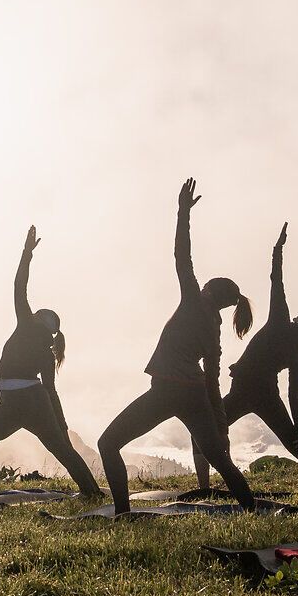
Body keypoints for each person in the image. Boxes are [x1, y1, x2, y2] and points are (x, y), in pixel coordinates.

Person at [98, 180, 258, 514]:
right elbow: (213, 379)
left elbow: (181, 256)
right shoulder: (214, 326)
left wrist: (182, 212)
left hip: (168, 390)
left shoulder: (194, 302)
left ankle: (123, 514)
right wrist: (218, 422)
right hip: (195, 394)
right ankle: (251, 509)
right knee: (220, 458)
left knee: (107, 443)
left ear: (210, 291)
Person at [0, 226, 102, 504]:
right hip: (29, 403)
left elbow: (19, 287)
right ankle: (92, 492)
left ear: (40, 319)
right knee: (62, 450)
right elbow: (50, 390)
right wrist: (60, 423)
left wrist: (26, 254)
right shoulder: (46, 349)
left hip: (19, 403)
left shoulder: (28, 326)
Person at [191, 224, 298, 488]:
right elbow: (293, 396)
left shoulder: (280, 322)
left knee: (203, 432)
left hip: (243, 390)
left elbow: (276, 280)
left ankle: (204, 488)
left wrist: (278, 249)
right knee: (295, 444)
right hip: (266, 396)